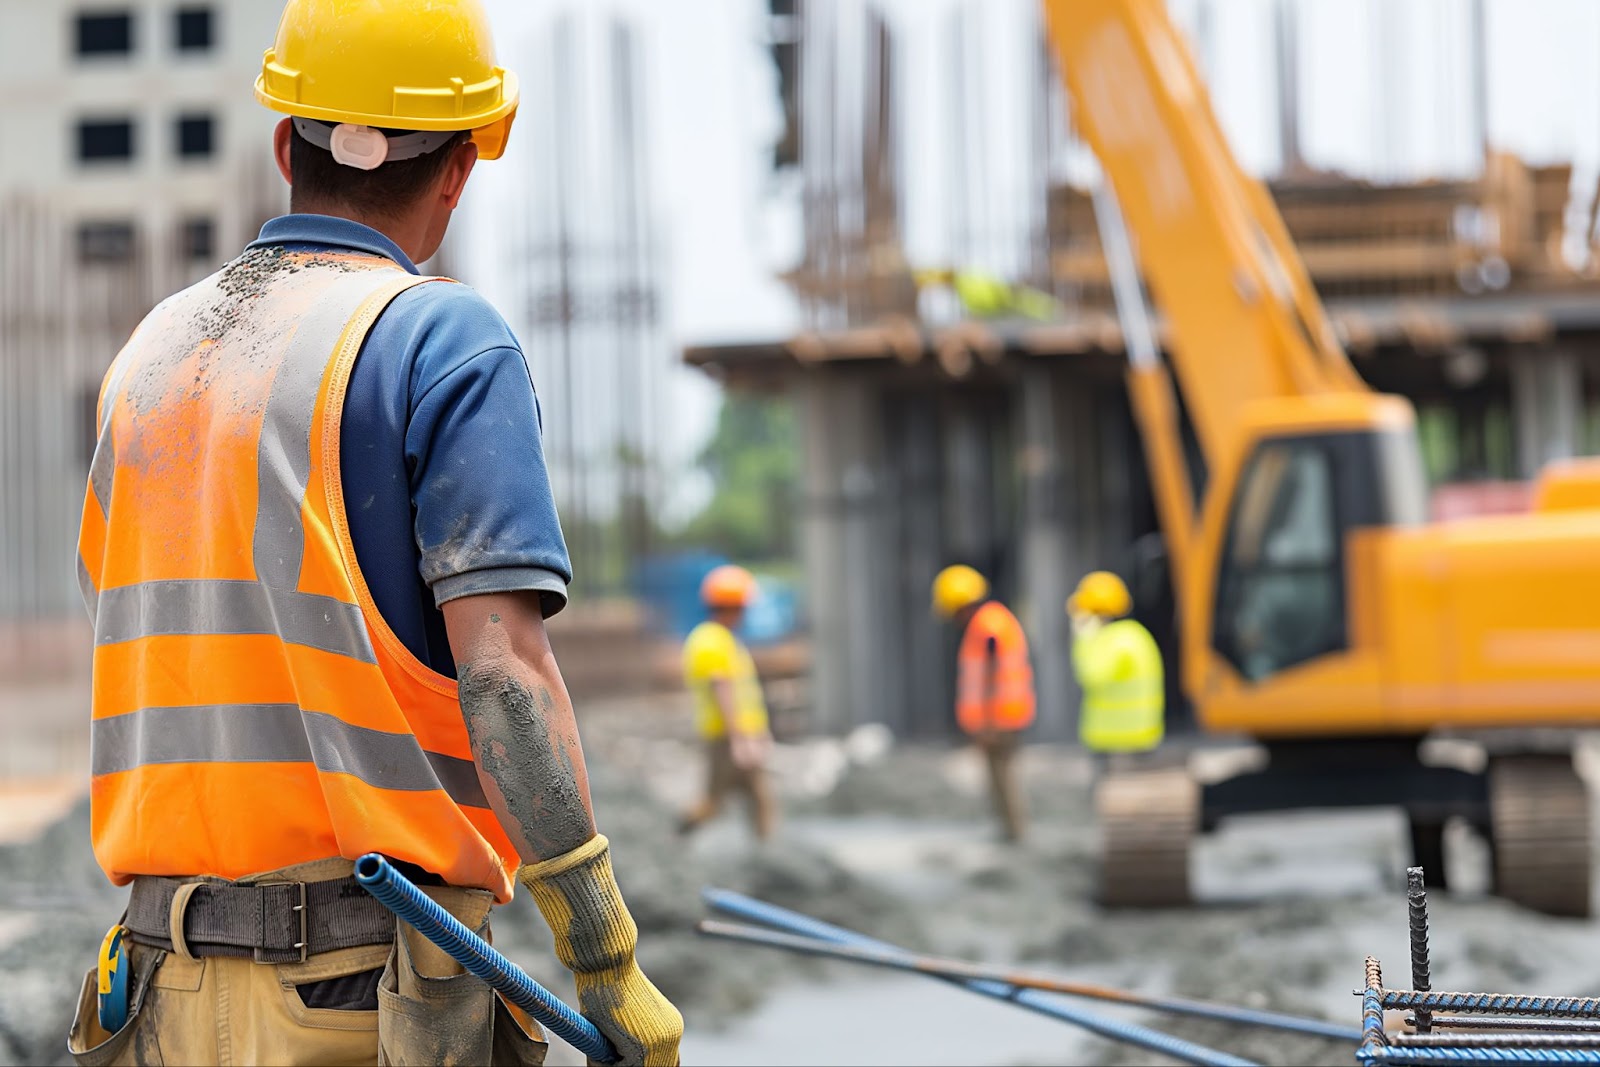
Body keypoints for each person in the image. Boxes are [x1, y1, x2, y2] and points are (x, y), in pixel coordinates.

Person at [68, 2, 681, 1064]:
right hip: (363, 1001)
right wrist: (606, 960)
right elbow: (504, 680)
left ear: (282, 144)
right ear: (457, 172)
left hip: (151, 994)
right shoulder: (439, 341)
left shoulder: (148, 359)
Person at [931, 565, 1036, 841]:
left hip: (999, 719)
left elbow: (992, 675)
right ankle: (1010, 830)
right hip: (1001, 716)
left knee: (1002, 778)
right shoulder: (991, 621)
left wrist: (987, 724)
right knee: (999, 777)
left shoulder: (988, 626)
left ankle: (1014, 832)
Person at [678, 565, 777, 841]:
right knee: (715, 803)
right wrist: (740, 739)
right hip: (727, 737)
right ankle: (677, 836)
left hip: (735, 735)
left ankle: (763, 851)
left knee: (758, 799)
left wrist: (757, 733)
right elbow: (723, 690)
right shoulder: (712, 640)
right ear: (732, 607)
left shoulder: (720, 639)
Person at [1069, 571, 1165, 772]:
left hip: (1118, 743)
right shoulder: (1134, 634)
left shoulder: (1117, 640)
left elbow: (1091, 675)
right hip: (1136, 738)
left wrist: (1083, 639)